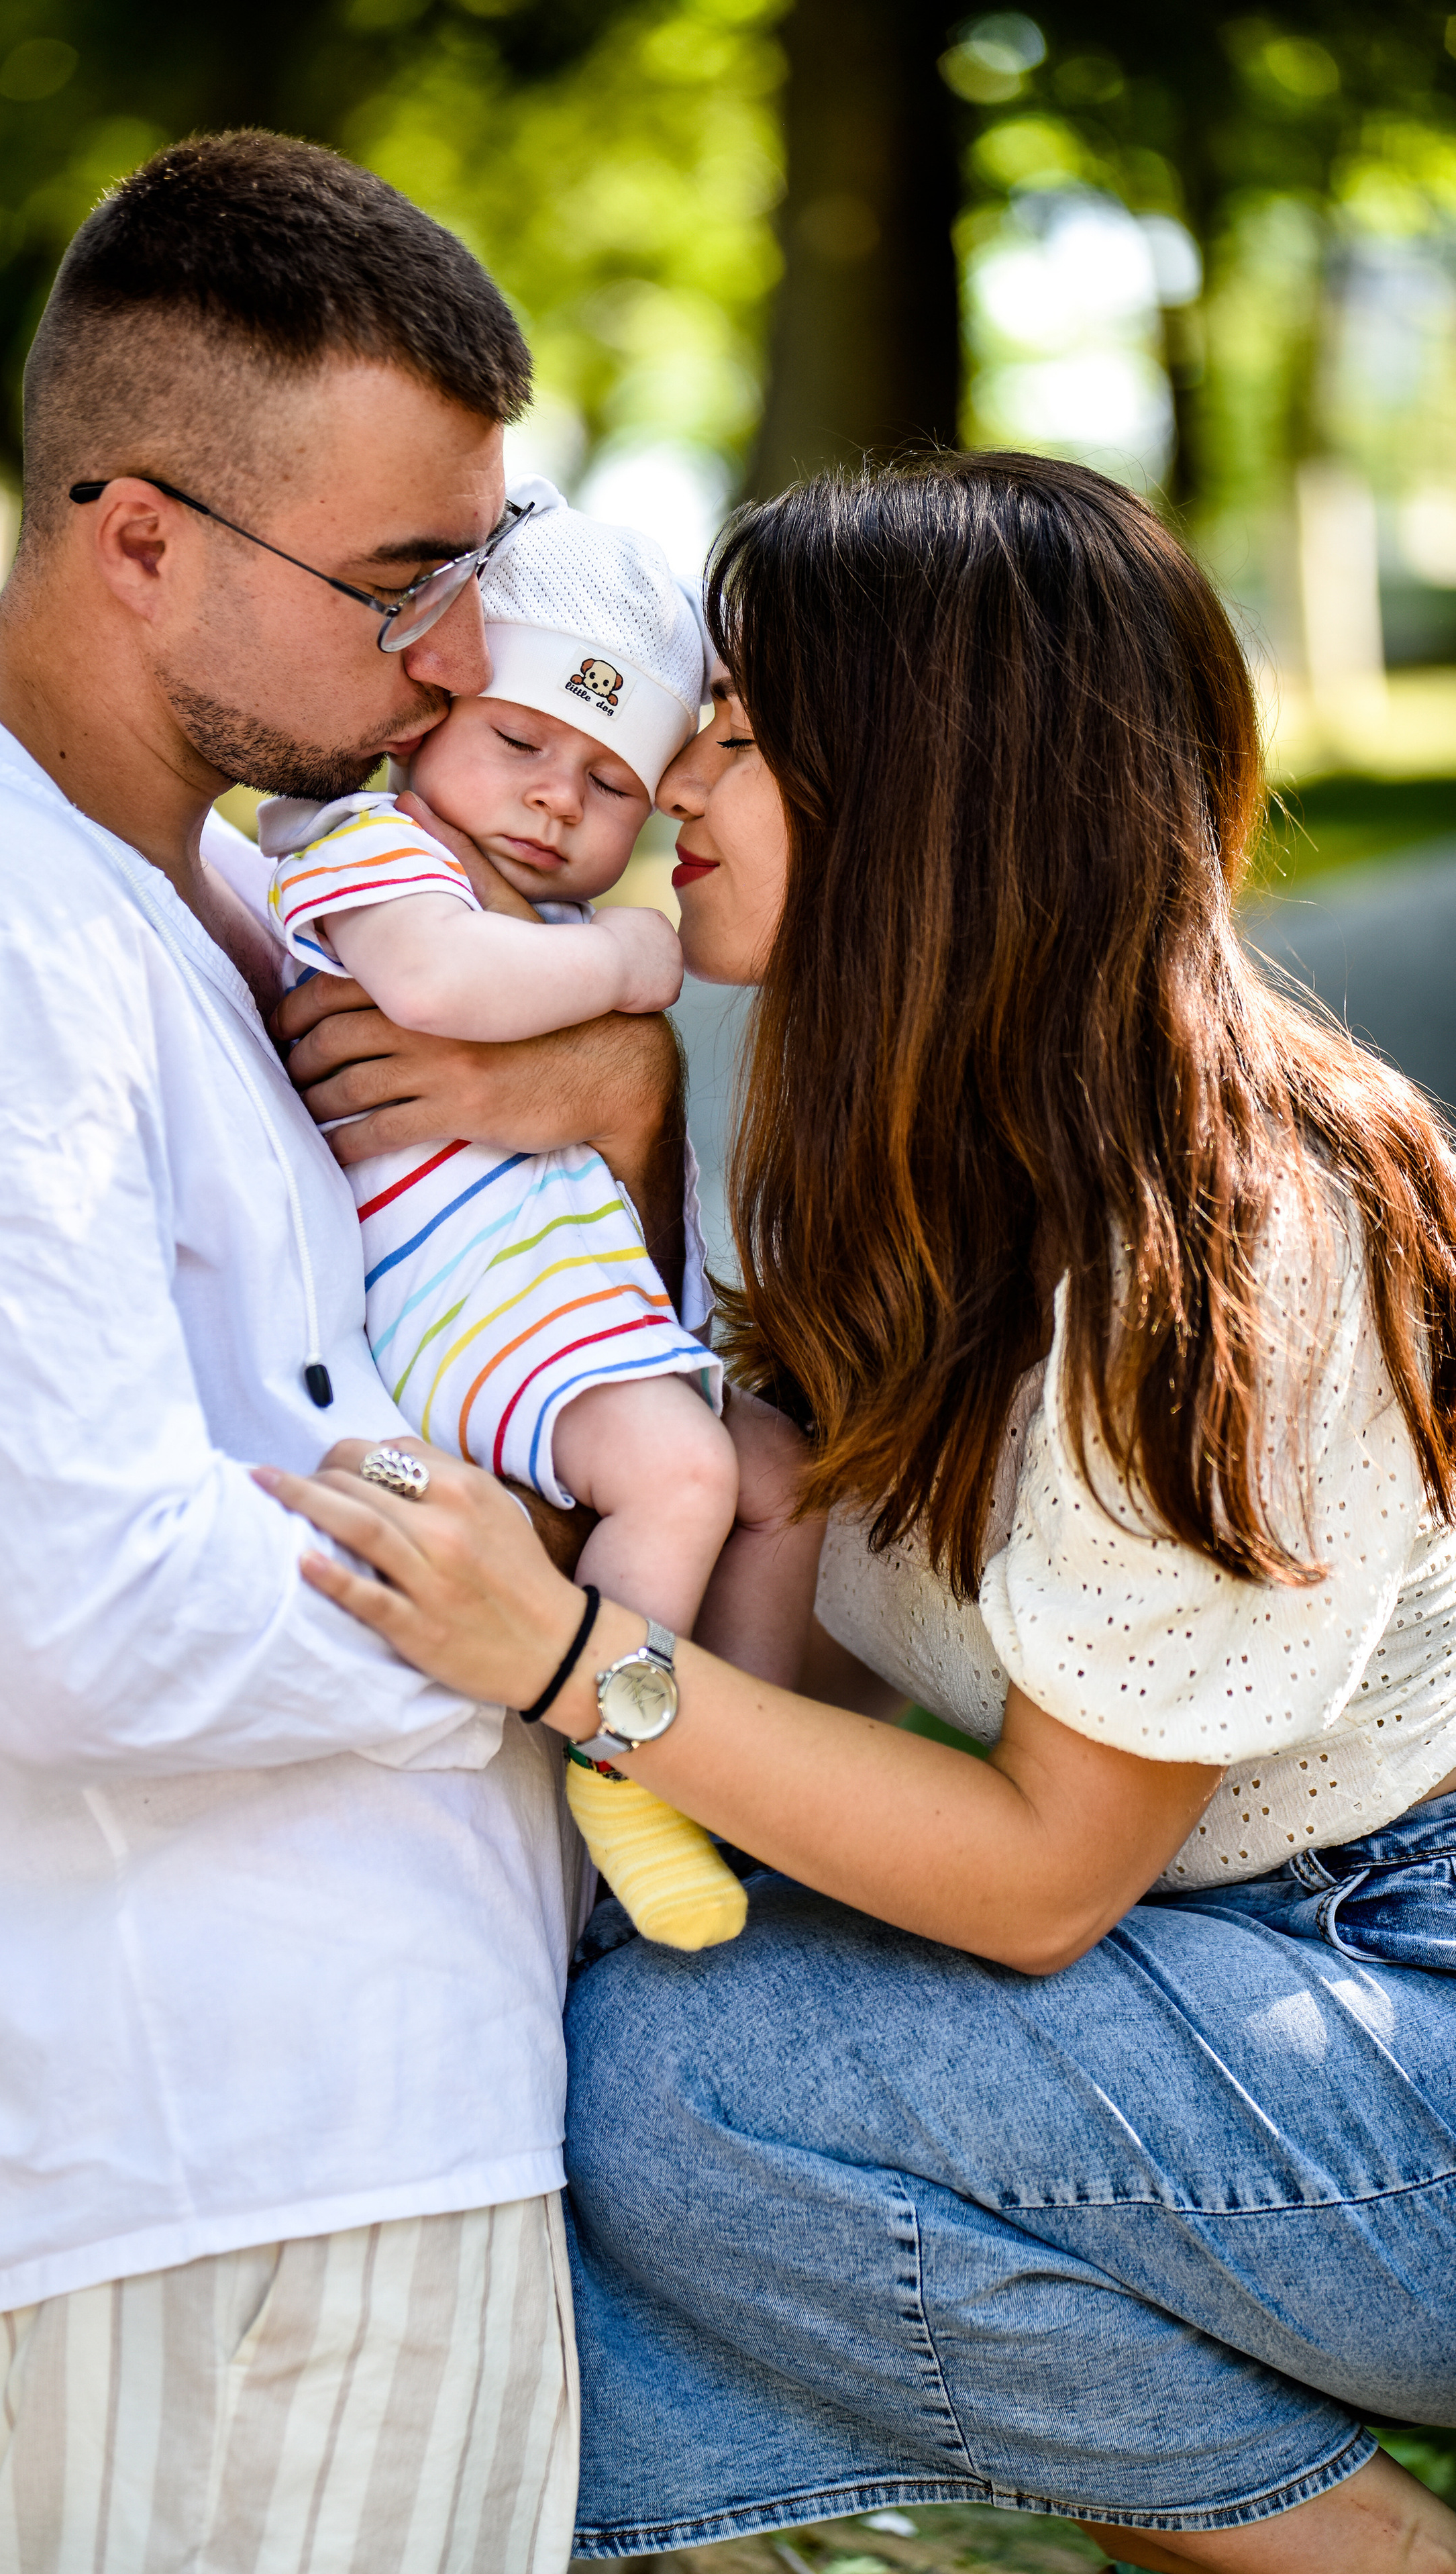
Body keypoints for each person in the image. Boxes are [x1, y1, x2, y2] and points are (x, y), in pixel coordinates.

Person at [258, 454, 1456, 2574]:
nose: (673, 768)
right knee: (567, 2022)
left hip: (1396, 2004)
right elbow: (770, 1670)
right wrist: (628, 1134)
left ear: (927, 778)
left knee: (684, 2086)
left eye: (740, 717)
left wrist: (556, 1659)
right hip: (1217, 1972)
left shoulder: (1231, 1225)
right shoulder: (888, 1128)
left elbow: (1034, 1885)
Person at [0, 130, 698, 2574]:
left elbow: (447, 1301)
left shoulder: (198, 874)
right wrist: (547, 1624)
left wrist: (617, 1087)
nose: (467, 659)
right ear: (135, 533)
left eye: (478, 570)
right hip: (207, 2175)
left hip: (333, 2142)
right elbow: (81, 1607)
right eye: (402, 584)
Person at [263, 481, 819, 1949]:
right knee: (682, 1479)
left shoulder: (541, 917)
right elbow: (443, 988)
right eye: (517, 740)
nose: (552, 798)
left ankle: (737, 1779)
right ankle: (627, 1765)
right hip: (468, 1305)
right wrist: (637, 963)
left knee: (779, 1479)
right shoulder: (375, 852)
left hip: (559, 1307)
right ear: (426, 720)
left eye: (607, 783)